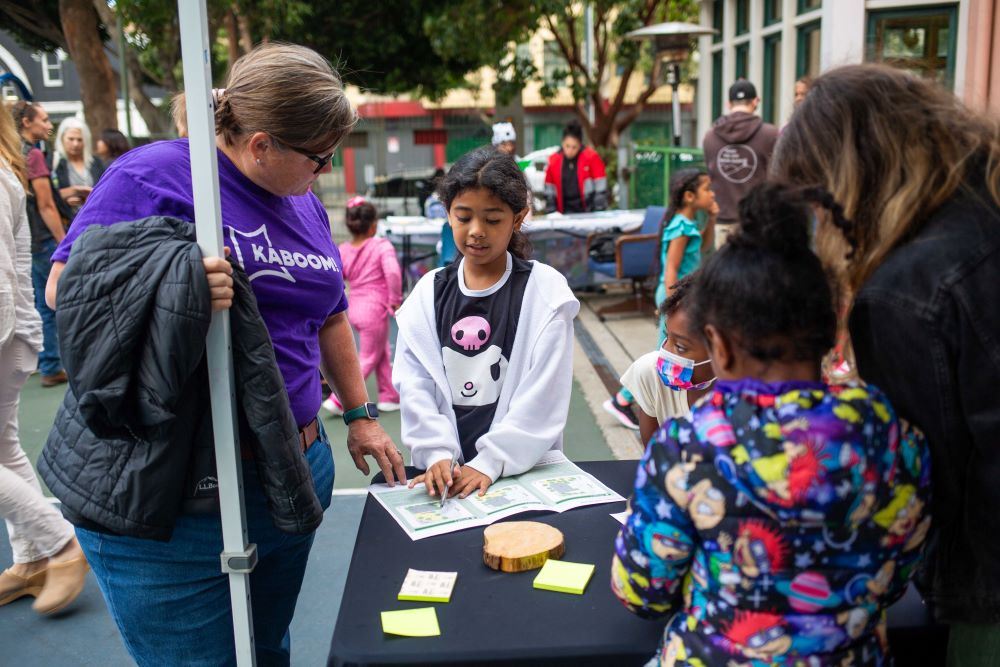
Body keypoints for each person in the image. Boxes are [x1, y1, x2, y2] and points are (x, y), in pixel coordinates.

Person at [42, 43, 405, 665]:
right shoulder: (153, 174)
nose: (325, 171)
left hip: (288, 470)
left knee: (267, 649)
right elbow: (64, 289)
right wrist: (177, 276)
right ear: (261, 144)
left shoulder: (301, 198)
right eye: (318, 158)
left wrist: (360, 412)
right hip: (170, 489)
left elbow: (332, 310)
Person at [611, 182, 932, 665]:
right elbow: (899, 572)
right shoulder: (891, 436)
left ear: (718, 344)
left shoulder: (688, 447)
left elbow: (641, 591)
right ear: (827, 333)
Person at [773, 63, 1000, 666]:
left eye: (813, 200)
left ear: (847, 181)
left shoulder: (907, 292)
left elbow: (920, 487)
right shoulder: (986, 207)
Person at [396, 147, 579, 500]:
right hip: (447, 476)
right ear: (448, 214)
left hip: (519, 471)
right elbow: (414, 381)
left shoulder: (545, 292)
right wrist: (436, 453)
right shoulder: (428, 292)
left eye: (492, 220)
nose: (476, 231)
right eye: (463, 217)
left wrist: (491, 461)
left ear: (518, 217)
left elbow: (545, 394)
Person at [0, 99, 89, 616]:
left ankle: (60, 546)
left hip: (7, 329)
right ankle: (31, 560)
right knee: (5, 447)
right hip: (14, 331)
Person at [602, 169, 716, 431]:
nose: (712, 194)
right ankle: (623, 399)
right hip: (678, 301)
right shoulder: (680, 227)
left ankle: (626, 398)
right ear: (689, 196)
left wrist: (712, 218)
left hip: (685, 300)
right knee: (664, 358)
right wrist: (672, 301)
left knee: (669, 356)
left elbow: (705, 246)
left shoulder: (688, 224)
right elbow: (671, 269)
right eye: (707, 189)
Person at [323, 196, 402, 415]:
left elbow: (340, 275)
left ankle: (388, 396)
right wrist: (395, 299)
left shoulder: (344, 249)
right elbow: (393, 273)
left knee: (381, 351)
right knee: (368, 356)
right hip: (375, 308)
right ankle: (338, 400)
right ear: (374, 225)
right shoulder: (381, 245)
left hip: (354, 308)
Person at [618, 274, 714, 444]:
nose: (665, 352)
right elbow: (653, 455)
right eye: (666, 335)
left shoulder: (752, 397)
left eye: (681, 347)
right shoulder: (649, 373)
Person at [9, 102, 65, 387]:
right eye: (43, 120)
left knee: (35, 303)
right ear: (27, 123)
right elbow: (45, 205)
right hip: (43, 239)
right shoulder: (33, 156)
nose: (49, 125)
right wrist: (63, 243)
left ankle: (46, 361)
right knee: (55, 302)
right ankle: (53, 364)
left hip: (24, 239)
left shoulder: (12, 155)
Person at [702, 80, 778, 249]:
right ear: (756, 101)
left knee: (726, 275)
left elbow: (710, 174)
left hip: (723, 221)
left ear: (728, 104)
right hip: (759, 222)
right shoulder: (771, 134)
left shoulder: (710, 137)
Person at [544, 120, 608, 213]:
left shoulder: (592, 157)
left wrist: (598, 211)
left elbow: (601, 188)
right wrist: (552, 212)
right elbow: (549, 191)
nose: (570, 150)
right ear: (562, 143)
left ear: (580, 145)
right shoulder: (553, 160)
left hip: (588, 211)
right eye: (567, 146)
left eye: (574, 147)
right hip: (563, 213)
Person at [51, 118, 104, 218]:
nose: (75, 144)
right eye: (71, 139)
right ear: (62, 138)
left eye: (80, 140)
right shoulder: (54, 163)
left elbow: (105, 190)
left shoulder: (96, 163)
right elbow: (47, 198)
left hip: (95, 220)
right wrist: (65, 200)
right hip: (67, 223)